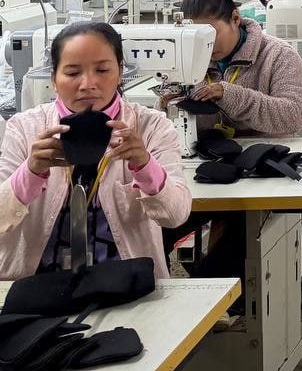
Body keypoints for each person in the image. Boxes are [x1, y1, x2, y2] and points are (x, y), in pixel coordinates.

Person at [0, 21, 191, 280]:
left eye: (102, 70)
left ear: (120, 72)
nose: (88, 84)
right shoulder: (24, 128)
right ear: (54, 78)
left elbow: (175, 216)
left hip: (126, 284)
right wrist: (30, 172)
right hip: (37, 285)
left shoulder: (152, 127)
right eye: (72, 73)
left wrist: (145, 166)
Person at [177, 0, 302, 136]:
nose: (205, 45)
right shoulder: (188, 57)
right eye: (196, 37)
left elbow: (294, 117)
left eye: (211, 34)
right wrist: (166, 106)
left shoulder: (279, 55)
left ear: (235, 19)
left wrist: (230, 96)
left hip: (268, 147)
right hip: (209, 147)